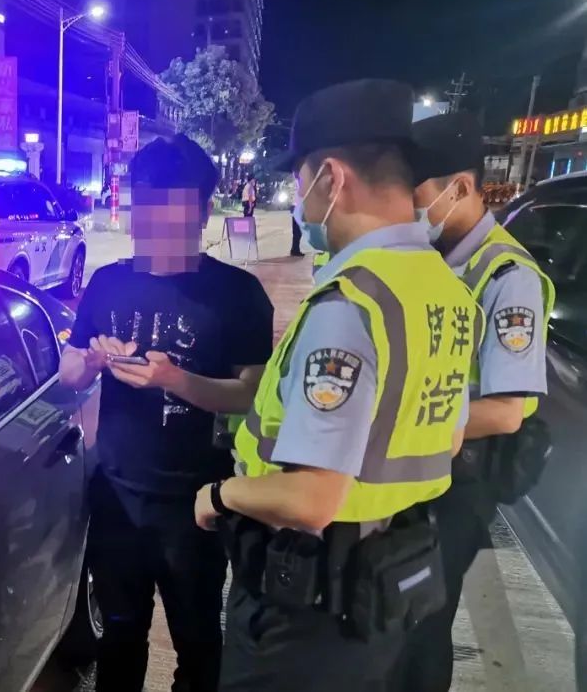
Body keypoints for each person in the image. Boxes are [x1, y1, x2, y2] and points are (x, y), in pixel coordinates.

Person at [194, 80, 480, 692]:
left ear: (330, 178)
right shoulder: (446, 289)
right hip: (385, 583)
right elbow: (448, 437)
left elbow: (311, 499)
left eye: (299, 180)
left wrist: (219, 495)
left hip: (308, 610)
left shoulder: (352, 305)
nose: (300, 200)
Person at [59, 133, 274, 692]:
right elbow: (69, 372)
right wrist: (91, 361)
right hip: (117, 493)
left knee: (198, 643)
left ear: (202, 212)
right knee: (119, 636)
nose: (154, 227)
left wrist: (175, 380)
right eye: (146, 210)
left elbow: (250, 393)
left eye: (171, 213)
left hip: (196, 504)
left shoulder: (238, 293)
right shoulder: (108, 282)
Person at [390, 112, 555, 692]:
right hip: (415, 472)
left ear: (459, 188)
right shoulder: (429, 259)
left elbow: (508, 411)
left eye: (414, 195)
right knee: (392, 618)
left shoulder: (507, 277)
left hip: (458, 482)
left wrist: (405, 426)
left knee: (422, 627)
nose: (406, 210)